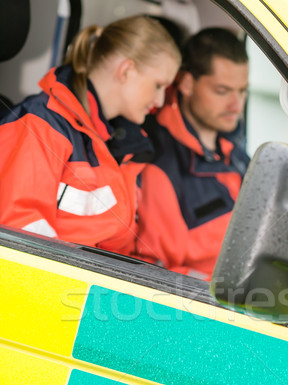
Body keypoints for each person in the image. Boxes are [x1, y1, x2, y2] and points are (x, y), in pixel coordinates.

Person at [0, 16, 180, 255]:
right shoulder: (40, 126)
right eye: (158, 86)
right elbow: (20, 242)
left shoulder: (124, 147)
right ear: (126, 70)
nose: (159, 101)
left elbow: (119, 247)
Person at [134, 27, 250, 279]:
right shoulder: (159, 165)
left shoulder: (235, 152)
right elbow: (157, 273)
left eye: (242, 91)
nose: (236, 105)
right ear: (187, 83)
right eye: (222, 91)